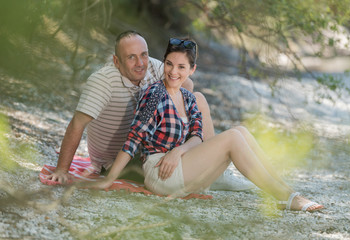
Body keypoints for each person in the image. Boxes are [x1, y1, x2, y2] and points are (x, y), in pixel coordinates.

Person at [87, 37, 324, 212]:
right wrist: (108, 179)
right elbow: (134, 138)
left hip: (180, 164)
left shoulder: (188, 97)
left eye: (181, 67)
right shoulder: (153, 94)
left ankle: (286, 190)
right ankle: (285, 197)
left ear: (192, 70)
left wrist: (178, 151)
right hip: (160, 173)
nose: (173, 72)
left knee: (241, 130)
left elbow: (198, 135)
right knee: (232, 137)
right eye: (169, 64)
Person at [46, 30, 254, 191]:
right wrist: (62, 169)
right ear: (116, 60)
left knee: (197, 99)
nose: (140, 64)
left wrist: (177, 134)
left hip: (150, 143)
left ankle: (210, 167)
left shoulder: (153, 67)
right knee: (225, 134)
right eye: (131, 57)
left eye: (144, 55)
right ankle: (209, 166)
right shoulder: (103, 81)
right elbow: (77, 123)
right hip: (121, 159)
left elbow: (186, 86)